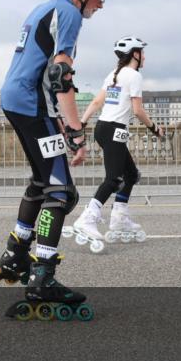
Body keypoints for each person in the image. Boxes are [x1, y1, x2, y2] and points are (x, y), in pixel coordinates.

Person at [0, 0, 112, 315]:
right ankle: (42, 275)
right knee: (61, 191)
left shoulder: (43, 7)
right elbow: (60, 74)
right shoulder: (69, 13)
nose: (101, 4)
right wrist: (75, 131)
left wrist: (58, 121)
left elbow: (44, 71)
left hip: (17, 99)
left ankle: (15, 254)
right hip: (31, 103)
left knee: (42, 181)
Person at [71, 36, 164, 245]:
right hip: (115, 129)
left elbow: (96, 102)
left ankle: (119, 219)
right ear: (135, 54)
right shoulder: (134, 76)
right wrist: (155, 128)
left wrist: (81, 125)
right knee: (113, 179)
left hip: (102, 128)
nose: (145, 56)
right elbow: (138, 111)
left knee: (130, 175)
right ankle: (87, 218)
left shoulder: (114, 74)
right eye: (142, 52)